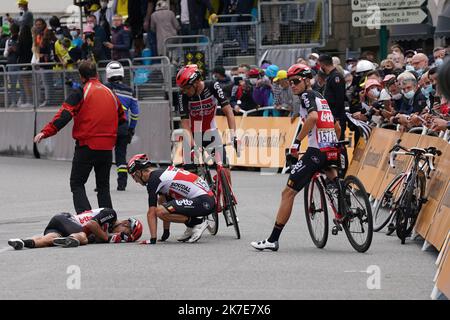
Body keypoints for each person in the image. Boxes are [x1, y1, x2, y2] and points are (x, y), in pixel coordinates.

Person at [251, 64, 340, 251]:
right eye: (290, 82)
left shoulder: (307, 95)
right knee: (334, 180)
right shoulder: (320, 96)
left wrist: (297, 143)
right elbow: (335, 125)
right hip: (332, 147)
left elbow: (313, 118)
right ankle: (345, 211)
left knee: (287, 193)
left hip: (317, 151)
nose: (292, 85)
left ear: (307, 80)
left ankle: (272, 240)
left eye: (296, 81)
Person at [34, 60, 126, 214]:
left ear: (81, 77)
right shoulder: (110, 93)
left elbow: (64, 115)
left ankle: (87, 220)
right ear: (97, 74)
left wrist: (45, 132)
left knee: (77, 183)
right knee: (103, 187)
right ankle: (108, 221)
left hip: (87, 145)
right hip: (107, 147)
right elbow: (122, 117)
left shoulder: (81, 92)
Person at [127, 154, 216, 244]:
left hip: (204, 201)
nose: (135, 181)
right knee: (162, 202)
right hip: (205, 199)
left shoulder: (153, 180)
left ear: (139, 172)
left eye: (133, 176)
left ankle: (197, 223)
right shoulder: (159, 174)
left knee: (159, 211)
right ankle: (192, 226)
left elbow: (151, 212)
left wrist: (152, 239)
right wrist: (166, 233)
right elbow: (164, 201)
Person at [176, 64, 239, 181]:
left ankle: (227, 197)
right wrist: (192, 147)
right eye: (182, 88)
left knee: (225, 171)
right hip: (192, 135)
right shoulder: (182, 95)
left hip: (211, 133)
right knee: (189, 175)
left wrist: (233, 135)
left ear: (196, 83)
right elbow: (185, 124)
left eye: (186, 88)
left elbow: (229, 112)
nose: (184, 91)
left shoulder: (212, 86)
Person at [7, 208, 143, 250]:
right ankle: (72, 239)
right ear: (125, 223)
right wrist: (107, 238)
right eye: (126, 234)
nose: (122, 237)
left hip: (59, 226)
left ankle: (22, 242)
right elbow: (91, 224)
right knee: (86, 237)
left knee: (48, 240)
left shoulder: (107, 230)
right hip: (66, 219)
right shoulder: (111, 214)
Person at [105, 61, 140, 191]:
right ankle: (122, 183)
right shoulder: (130, 91)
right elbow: (135, 113)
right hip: (123, 127)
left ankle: (102, 183)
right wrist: (131, 129)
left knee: (104, 156)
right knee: (121, 156)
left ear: (108, 74)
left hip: (107, 127)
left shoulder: (105, 88)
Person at [318, 54, 346, 140]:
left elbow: (340, 98)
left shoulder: (336, 77)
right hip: (330, 116)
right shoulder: (330, 76)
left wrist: (336, 117)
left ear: (323, 65)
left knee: (338, 142)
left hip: (336, 116)